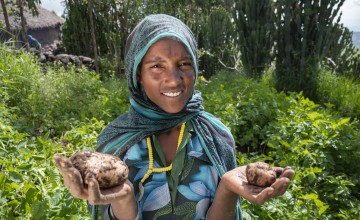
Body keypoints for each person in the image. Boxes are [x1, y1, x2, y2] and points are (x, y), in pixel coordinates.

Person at [53, 14, 294, 220]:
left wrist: (227, 189)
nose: (174, 79)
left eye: (184, 64)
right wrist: (124, 199)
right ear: (137, 74)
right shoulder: (115, 142)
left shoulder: (215, 136)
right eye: (157, 66)